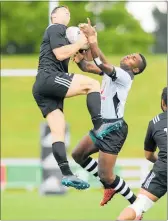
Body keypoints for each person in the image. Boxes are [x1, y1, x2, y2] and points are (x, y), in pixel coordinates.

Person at [32, 6, 116, 190]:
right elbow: (60, 54)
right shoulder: (55, 28)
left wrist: (91, 40)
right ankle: (99, 126)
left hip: (42, 87)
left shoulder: (65, 37)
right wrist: (79, 42)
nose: (68, 13)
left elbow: (84, 64)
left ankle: (67, 174)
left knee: (58, 130)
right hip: (48, 77)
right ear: (53, 16)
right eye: (63, 11)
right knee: (91, 85)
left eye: (69, 12)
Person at [71, 18, 147, 205]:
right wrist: (83, 49)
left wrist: (92, 39)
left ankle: (136, 206)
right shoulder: (113, 72)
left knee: (108, 175)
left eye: (133, 58)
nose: (129, 56)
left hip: (114, 130)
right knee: (78, 155)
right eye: (131, 54)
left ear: (135, 69)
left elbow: (101, 63)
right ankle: (108, 184)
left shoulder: (124, 77)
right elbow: (88, 65)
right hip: (102, 125)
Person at [117, 87, 167, 220]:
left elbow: (149, 155)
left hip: (163, 169)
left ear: (163, 103)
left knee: (138, 206)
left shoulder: (155, 122)